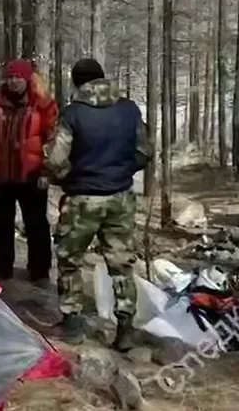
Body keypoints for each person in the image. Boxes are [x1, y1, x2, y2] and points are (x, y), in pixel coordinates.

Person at [45, 57, 152, 348]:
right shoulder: (129, 109)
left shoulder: (73, 113)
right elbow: (145, 151)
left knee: (70, 260)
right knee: (122, 265)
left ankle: (72, 324)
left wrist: (66, 177)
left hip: (82, 199)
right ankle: (125, 329)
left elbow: (56, 159)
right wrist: (122, 171)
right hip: (121, 198)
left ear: (77, 82)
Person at [0, 59, 58, 285]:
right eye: (10, 77)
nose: (13, 81)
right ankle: (1, 270)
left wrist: (46, 172)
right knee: (0, 225)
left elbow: (52, 141)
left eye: (18, 77)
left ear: (27, 78)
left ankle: (39, 272)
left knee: (36, 225)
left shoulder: (42, 104)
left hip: (31, 175)